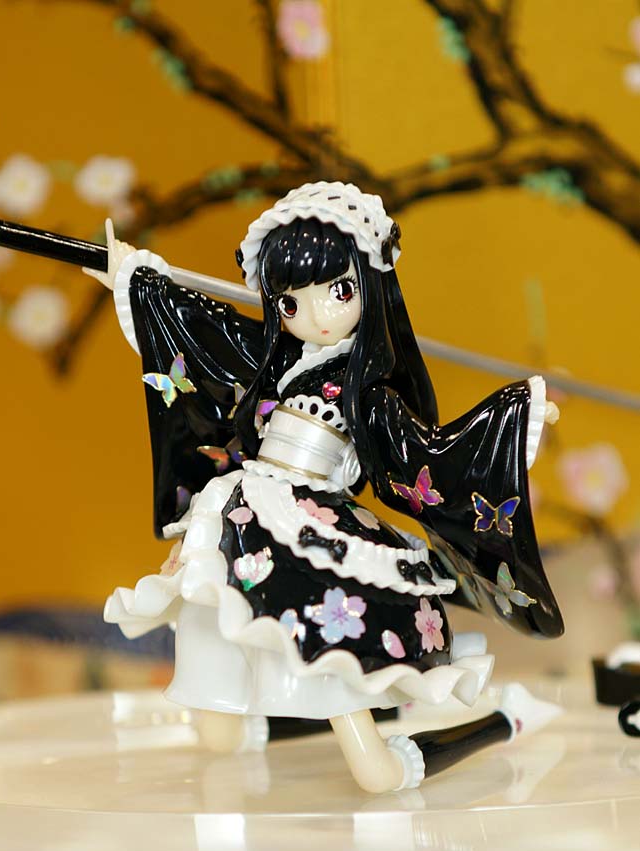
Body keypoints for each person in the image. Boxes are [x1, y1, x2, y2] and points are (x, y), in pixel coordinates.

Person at [87, 181, 562, 793]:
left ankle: (502, 720)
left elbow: (430, 457)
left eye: (338, 291)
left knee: (376, 772)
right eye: (289, 302)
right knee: (219, 732)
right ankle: (356, 713)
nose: (312, 317)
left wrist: (514, 423)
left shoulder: (370, 394)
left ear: (371, 286)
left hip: (312, 532)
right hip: (240, 513)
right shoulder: (277, 362)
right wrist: (135, 279)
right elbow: (206, 335)